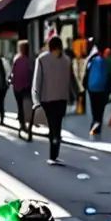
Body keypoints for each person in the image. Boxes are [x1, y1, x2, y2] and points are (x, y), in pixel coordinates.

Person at [33, 36, 74, 164]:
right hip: (61, 98)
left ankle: (53, 154)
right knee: (57, 125)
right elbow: (71, 79)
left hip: (48, 98)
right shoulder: (67, 60)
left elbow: (37, 80)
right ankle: (54, 153)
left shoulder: (42, 59)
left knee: (53, 125)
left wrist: (36, 99)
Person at [83, 43, 111, 136]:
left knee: (94, 109)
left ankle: (94, 125)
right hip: (103, 89)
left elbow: (86, 74)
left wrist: (85, 86)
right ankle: (98, 127)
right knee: (100, 110)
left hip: (92, 89)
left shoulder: (91, 61)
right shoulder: (106, 62)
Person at [12, 40, 34, 137]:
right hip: (27, 86)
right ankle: (29, 125)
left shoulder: (16, 59)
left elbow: (13, 73)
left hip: (17, 87)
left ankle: (22, 125)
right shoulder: (30, 60)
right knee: (29, 106)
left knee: (20, 107)